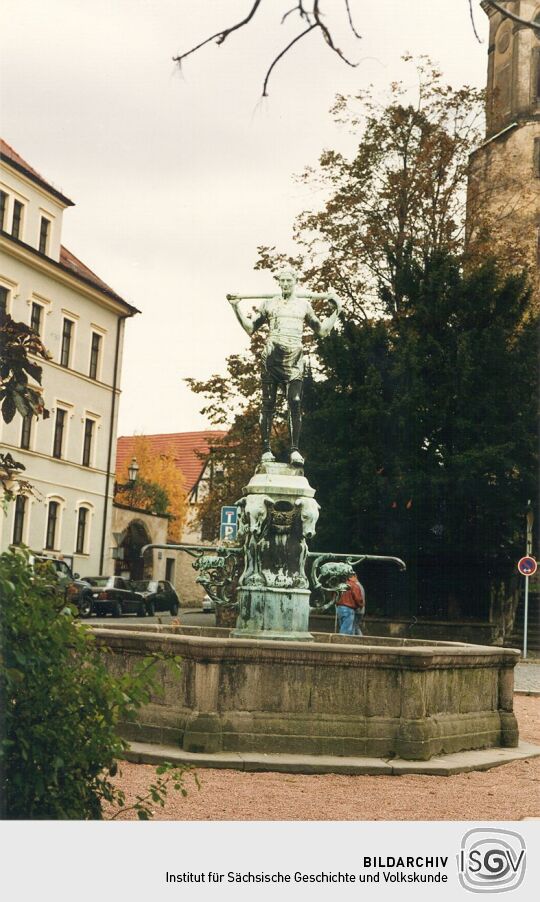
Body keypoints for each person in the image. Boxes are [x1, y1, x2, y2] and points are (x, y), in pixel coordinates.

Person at [227, 270, 342, 466]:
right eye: (283, 280)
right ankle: (265, 450)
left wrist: (336, 312)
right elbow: (250, 328)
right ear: (279, 283)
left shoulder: (304, 306)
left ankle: (295, 450)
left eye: (289, 280)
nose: (286, 284)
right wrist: (236, 308)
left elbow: (322, 331)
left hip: (294, 356)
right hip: (272, 355)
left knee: (295, 401)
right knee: (268, 402)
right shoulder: (270, 304)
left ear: (295, 282)